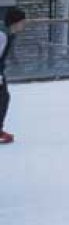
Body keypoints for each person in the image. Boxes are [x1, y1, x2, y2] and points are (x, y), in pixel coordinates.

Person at [0, 8, 27, 144]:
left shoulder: (9, 33)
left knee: (4, 97)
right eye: (22, 22)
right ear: (14, 22)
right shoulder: (2, 35)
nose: (24, 24)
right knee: (3, 98)